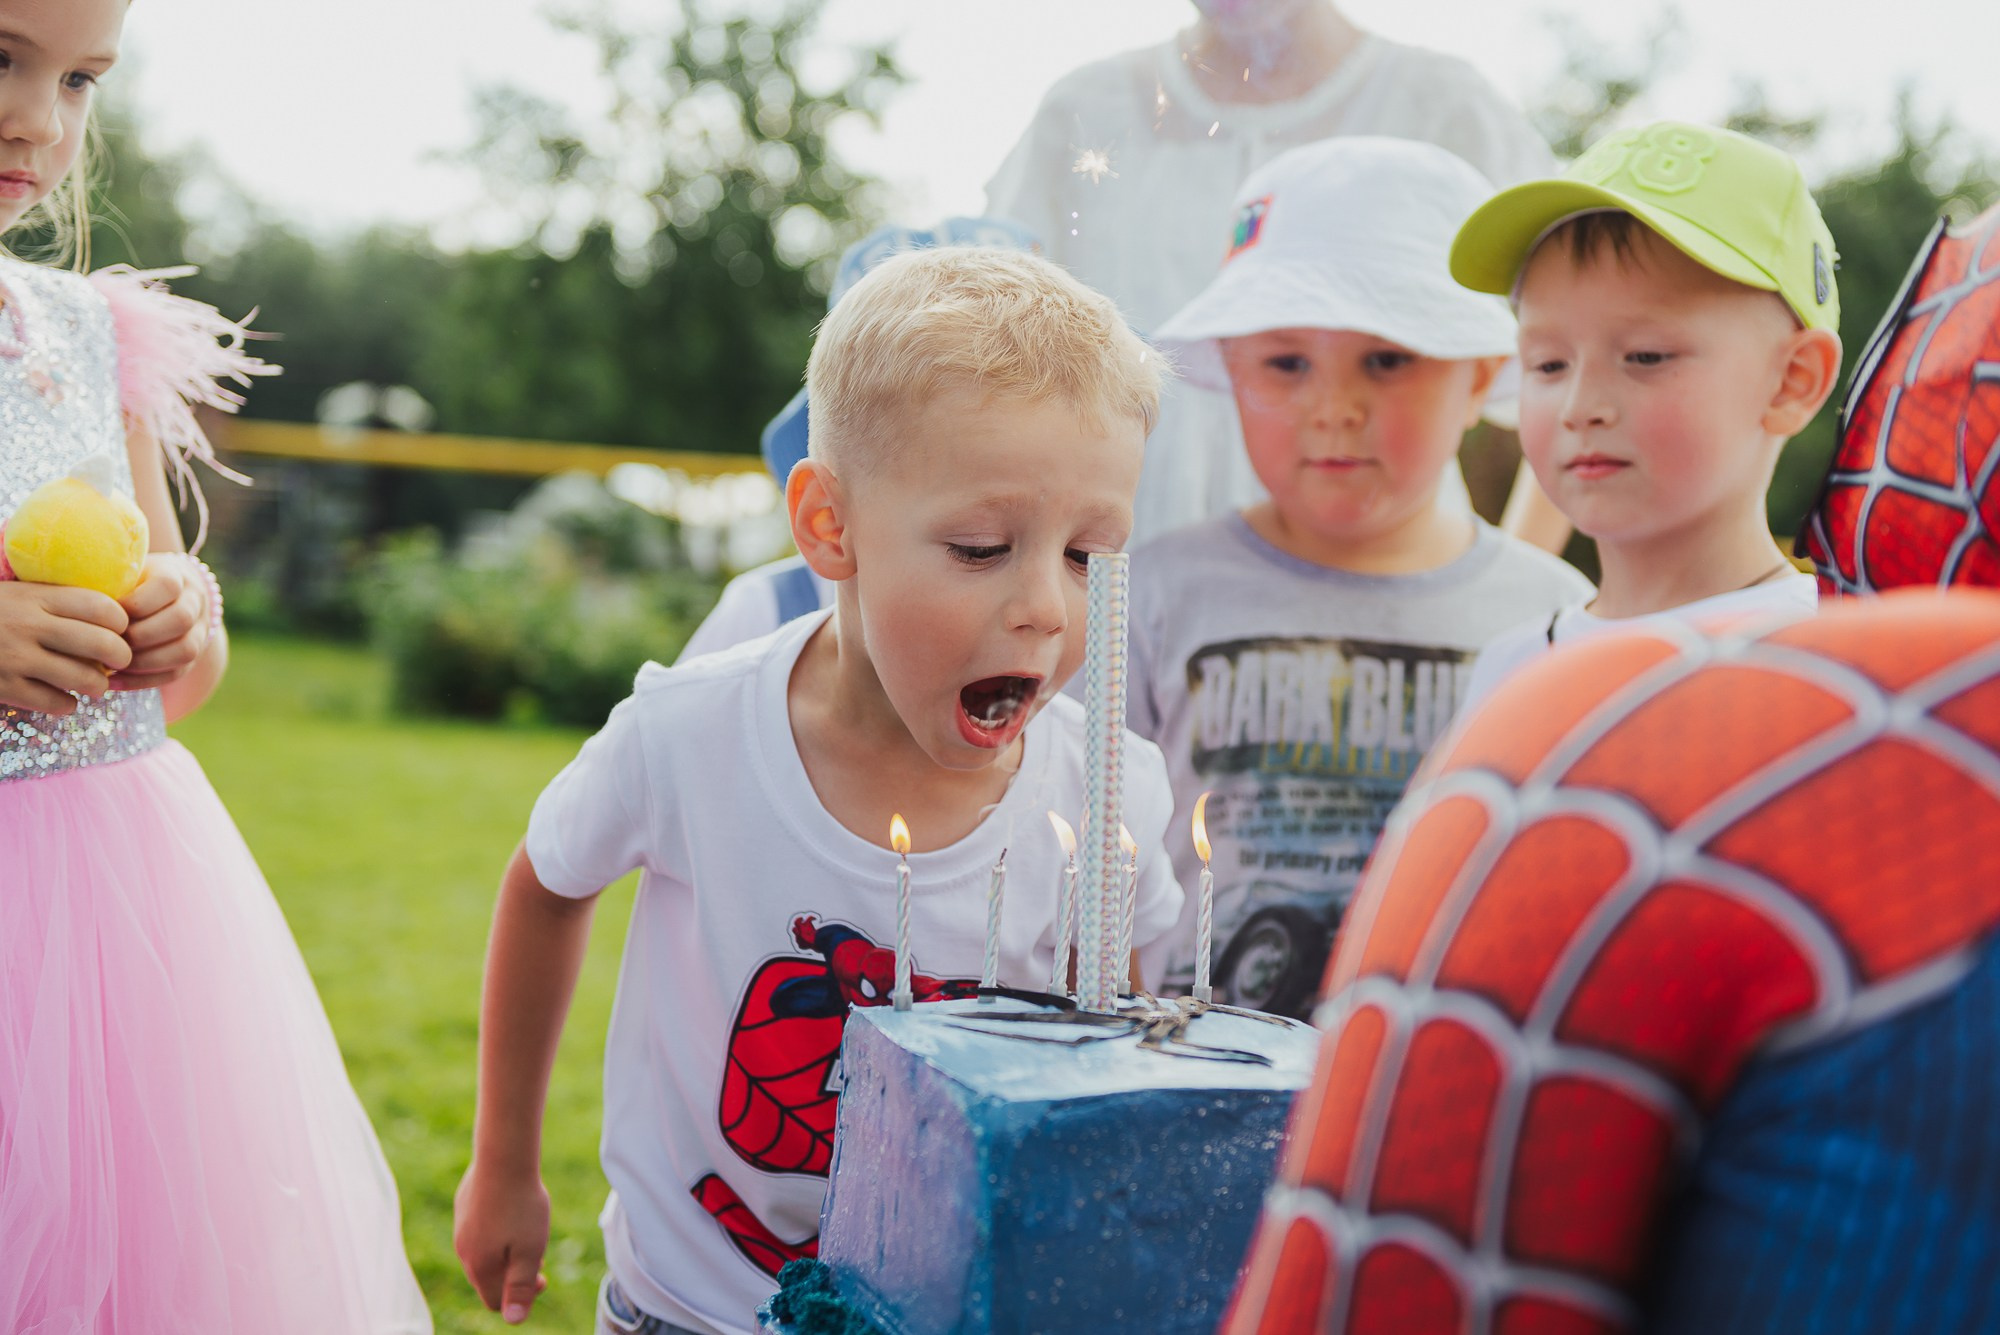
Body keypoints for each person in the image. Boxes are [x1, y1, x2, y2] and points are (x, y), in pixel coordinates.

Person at [453, 247, 1185, 1335]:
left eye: (1088, 556)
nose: (1043, 607)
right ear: (828, 527)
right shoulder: (687, 737)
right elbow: (548, 882)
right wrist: (501, 1164)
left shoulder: (1103, 794)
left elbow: (1112, 1049)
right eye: (981, 548)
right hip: (687, 1306)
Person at [0, 2, 431, 1330]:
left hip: (107, 914)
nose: (44, 121)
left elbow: (173, 652)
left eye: (82, 79)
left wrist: (182, 617)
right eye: (2, 58)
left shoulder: (86, 337)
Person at [1131, 138, 1591, 1018]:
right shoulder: (1149, 596)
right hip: (1185, 1074)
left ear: (1481, 373)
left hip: (1430, 1076)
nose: (1334, 406)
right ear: (1231, 365)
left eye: (1387, 358)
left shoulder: (1553, 614)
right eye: (1286, 362)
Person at [985, 0, 1570, 550]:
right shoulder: (1085, 112)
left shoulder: (1444, 106)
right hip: (1123, 589)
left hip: (1388, 582)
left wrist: (1517, 587)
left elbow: (1575, 360)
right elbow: (998, 370)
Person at [1452, 121, 1845, 708]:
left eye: (1646, 356)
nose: (1581, 407)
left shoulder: (1845, 658)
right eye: (1548, 364)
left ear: (1792, 381)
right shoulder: (1507, 670)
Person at [678, 217, 1037, 662]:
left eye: (1082, 553)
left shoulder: (1081, 622)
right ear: (830, 513)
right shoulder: (766, 613)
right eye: (977, 547)